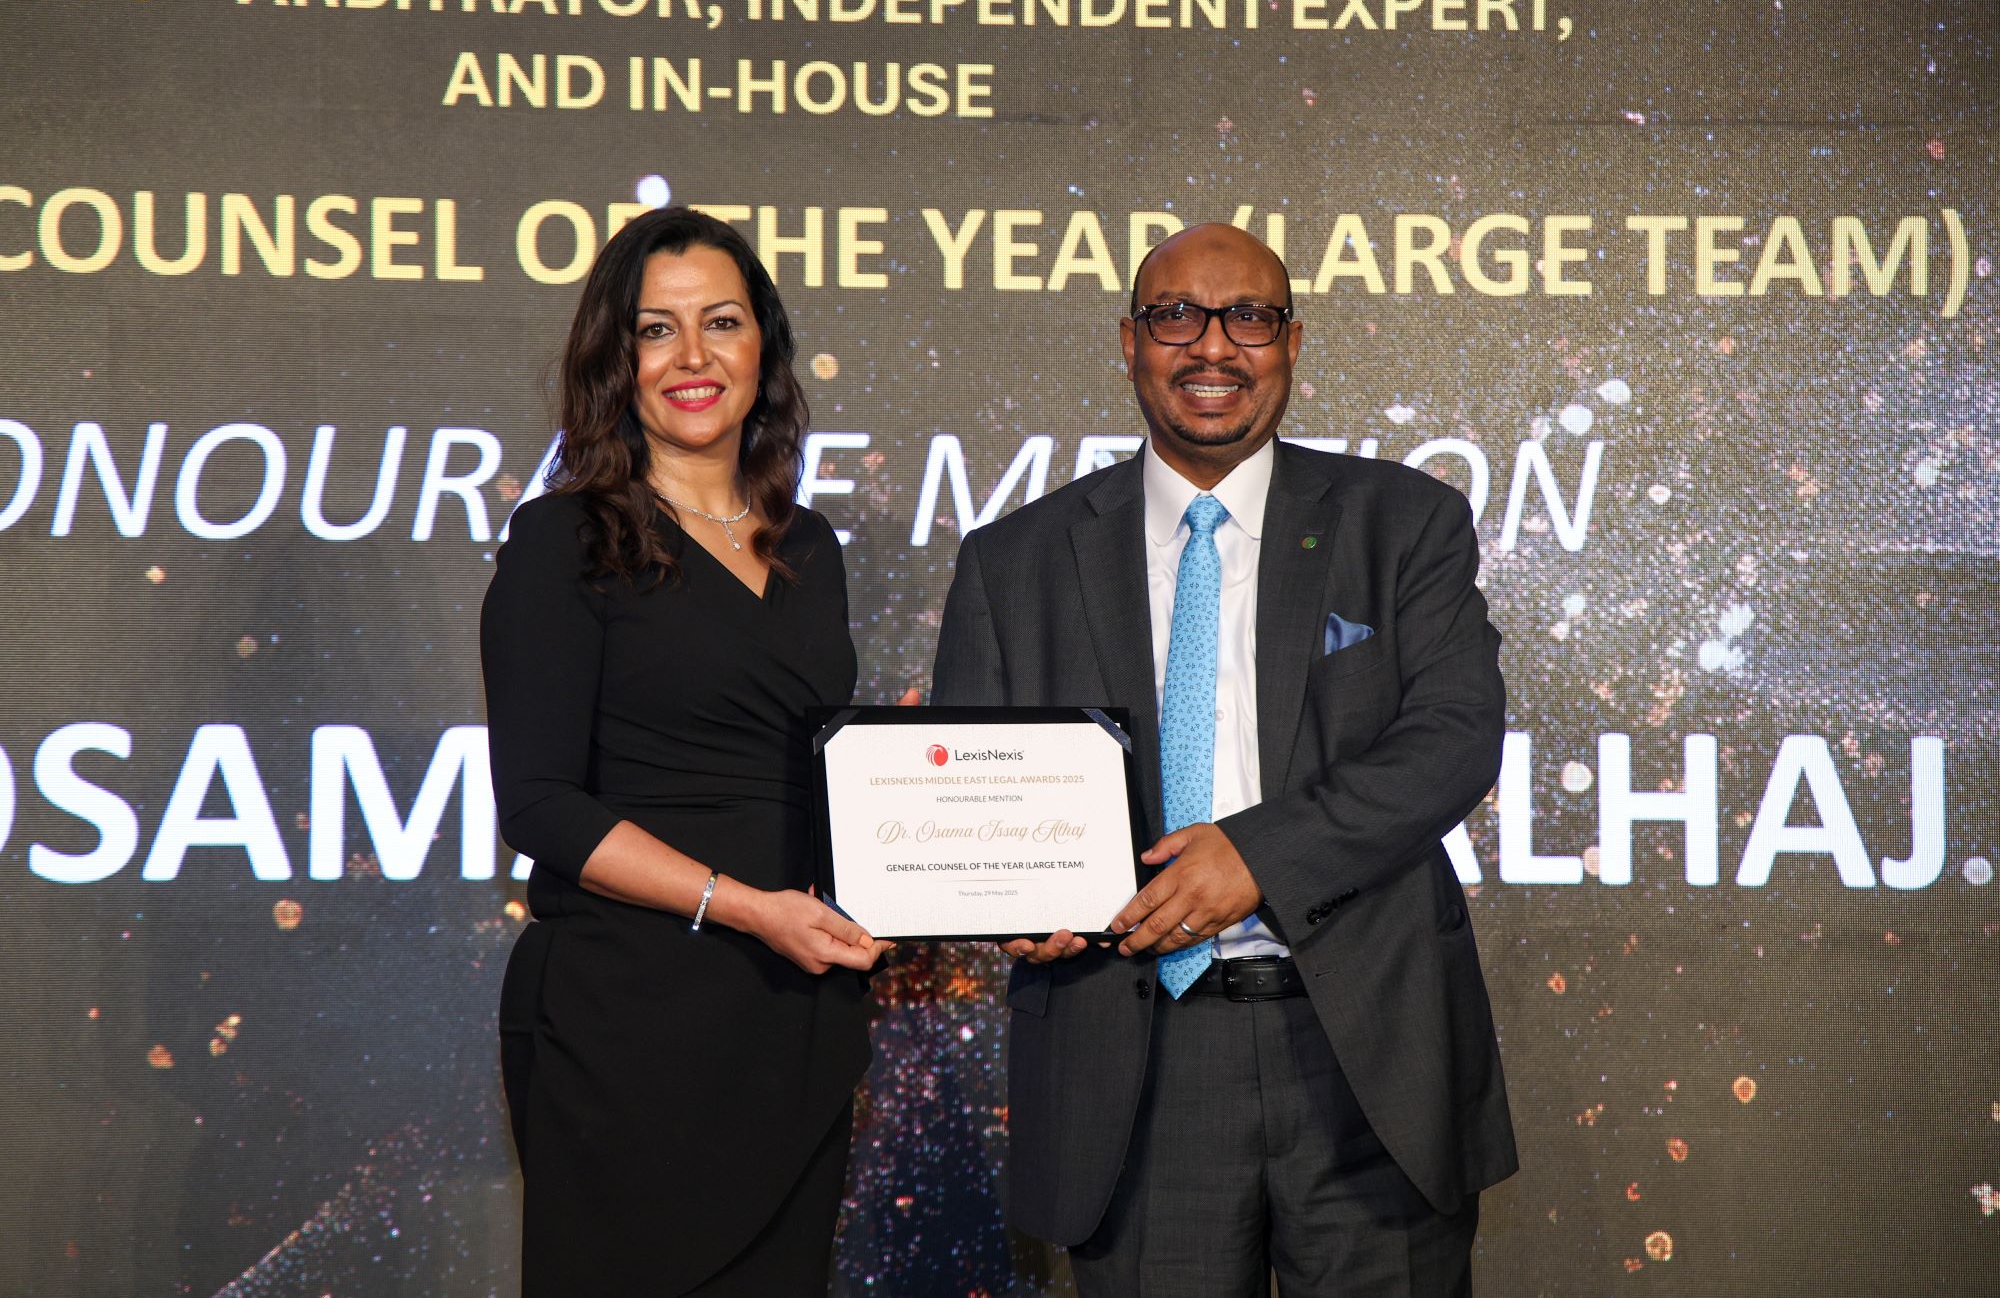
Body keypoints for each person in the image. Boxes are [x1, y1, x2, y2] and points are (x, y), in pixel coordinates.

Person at [932, 223, 1517, 1295]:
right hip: (1134, 1069)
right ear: (1128, 341)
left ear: (1290, 341)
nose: (1212, 346)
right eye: (1175, 317)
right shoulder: (1013, 563)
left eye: (1247, 317)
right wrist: (1004, 893)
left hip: (1365, 1055)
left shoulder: (1402, 523)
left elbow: (1453, 736)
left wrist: (1254, 858)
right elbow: (972, 788)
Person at [482, 207, 890, 1296]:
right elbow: (540, 804)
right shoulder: (563, 540)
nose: (692, 357)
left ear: (764, 345)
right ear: (616, 362)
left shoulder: (810, 547)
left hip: (790, 1023)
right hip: (628, 1023)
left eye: (721, 321)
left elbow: (827, 781)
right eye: (655, 330)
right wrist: (745, 906)